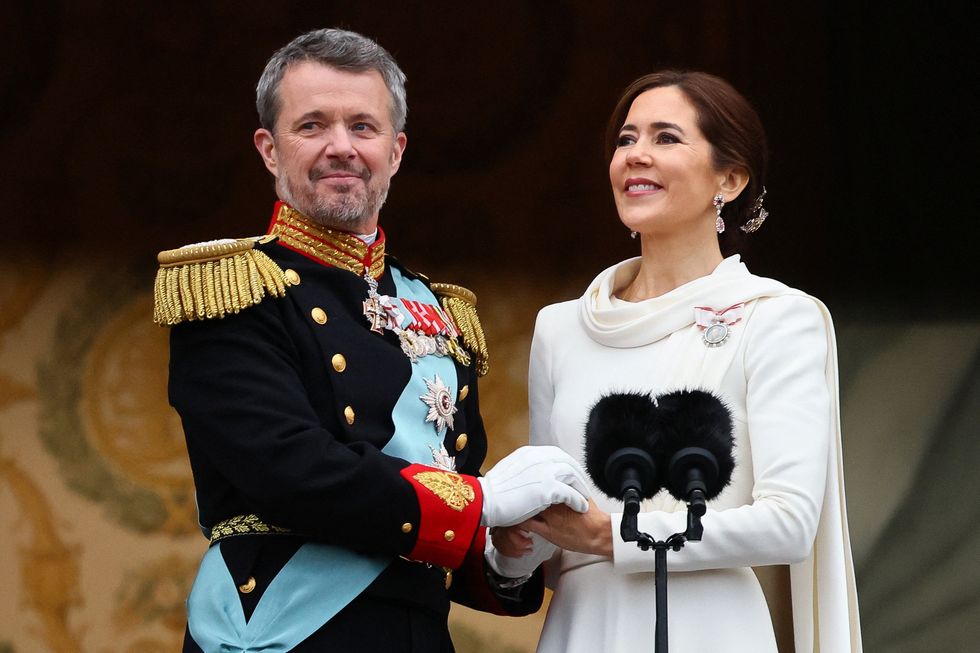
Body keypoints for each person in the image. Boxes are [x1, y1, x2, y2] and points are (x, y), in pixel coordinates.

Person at [155, 28, 590, 653]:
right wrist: (479, 502)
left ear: (397, 149)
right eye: (312, 126)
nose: (342, 147)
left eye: (363, 126)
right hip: (286, 634)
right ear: (269, 149)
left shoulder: (437, 307)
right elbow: (287, 469)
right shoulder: (233, 289)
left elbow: (450, 506)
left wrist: (506, 554)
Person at [488, 71, 863, 652]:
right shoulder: (559, 328)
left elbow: (788, 524)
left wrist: (612, 534)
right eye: (625, 140)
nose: (636, 156)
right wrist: (514, 547)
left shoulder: (777, 318)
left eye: (666, 138)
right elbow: (556, 538)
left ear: (730, 178)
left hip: (710, 626)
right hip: (583, 628)